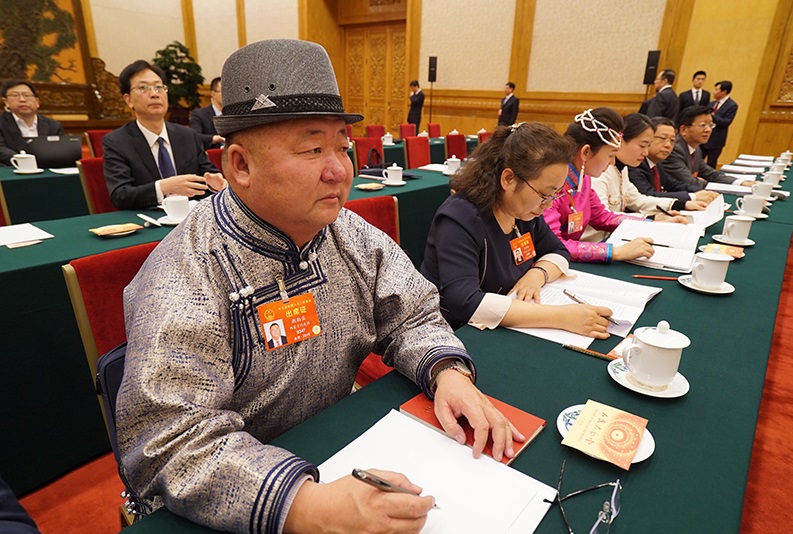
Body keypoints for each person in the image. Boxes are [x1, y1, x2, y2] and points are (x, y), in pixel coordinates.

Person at [116, 39, 520, 534]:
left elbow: (412, 312)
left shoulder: (347, 233)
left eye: (342, 148)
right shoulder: (187, 270)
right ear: (240, 165)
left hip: (339, 445)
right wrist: (307, 507)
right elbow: (172, 440)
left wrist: (447, 372)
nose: (339, 171)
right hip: (238, 495)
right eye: (312, 150)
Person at [420, 122, 612, 339]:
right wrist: (562, 317)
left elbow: (559, 251)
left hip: (503, 325)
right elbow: (466, 302)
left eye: (556, 194)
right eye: (544, 194)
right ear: (509, 179)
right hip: (453, 333)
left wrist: (537, 275)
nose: (549, 204)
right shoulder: (459, 218)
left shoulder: (524, 213)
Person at [103, 60, 226, 210]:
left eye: (159, 87)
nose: (154, 94)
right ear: (128, 100)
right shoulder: (117, 142)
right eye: (143, 88)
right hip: (148, 219)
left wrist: (214, 183)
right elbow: (120, 195)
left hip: (189, 217)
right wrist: (163, 187)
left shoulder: (188, 136)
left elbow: (207, 175)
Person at [543, 108, 655, 263]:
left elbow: (602, 217)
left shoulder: (583, 179)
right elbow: (553, 244)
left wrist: (649, 223)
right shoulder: (551, 184)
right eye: (611, 155)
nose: (613, 162)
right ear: (586, 152)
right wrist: (615, 252)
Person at [589, 114, 699, 242]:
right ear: (620, 140)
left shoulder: (622, 168)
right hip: (597, 242)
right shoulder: (598, 172)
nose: (646, 153)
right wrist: (650, 219)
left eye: (648, 146)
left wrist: (680, 204)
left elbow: (637, 199)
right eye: (642, 146)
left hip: (613, 237)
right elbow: (604, 217)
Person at [628, 117, 720, 205]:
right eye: (662, 138)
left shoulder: (657, 163)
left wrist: (702, 192)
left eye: (672, 140)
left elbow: (673, 184)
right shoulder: (635, 163)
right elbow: (649, 195)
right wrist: (693, 197)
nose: (668, 145)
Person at [661, 105, 751, 189]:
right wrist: (701, 181)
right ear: (684, 129)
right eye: (702, 125)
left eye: (711, 125)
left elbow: (711, 174)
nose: (708, 130)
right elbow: (689, 182)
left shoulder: (696, 148)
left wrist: (741, 183)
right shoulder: (674, 149)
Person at [0, 79, 64, 166]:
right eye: (15, 95)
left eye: (26, 95)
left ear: (37, 102)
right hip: (10, 168)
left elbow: (59, 151)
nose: (22, 99)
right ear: (6, 102)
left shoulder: (53, 125)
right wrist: (24, 161)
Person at [705, 80, 738, 168]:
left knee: (711, 163)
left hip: (716, 139)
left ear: (724, 91)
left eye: (716, 90)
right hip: (704, 136)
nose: (714, 92)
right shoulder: (711, 104)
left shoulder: (732, 105)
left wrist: (712, 116)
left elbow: (726, 122)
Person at [189, 76, 225, 149]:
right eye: (223, 91)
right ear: (213, 94)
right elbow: (195, 136)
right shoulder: (199, 114)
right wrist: (214, 138)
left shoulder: (233, 113)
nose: (227, 95)